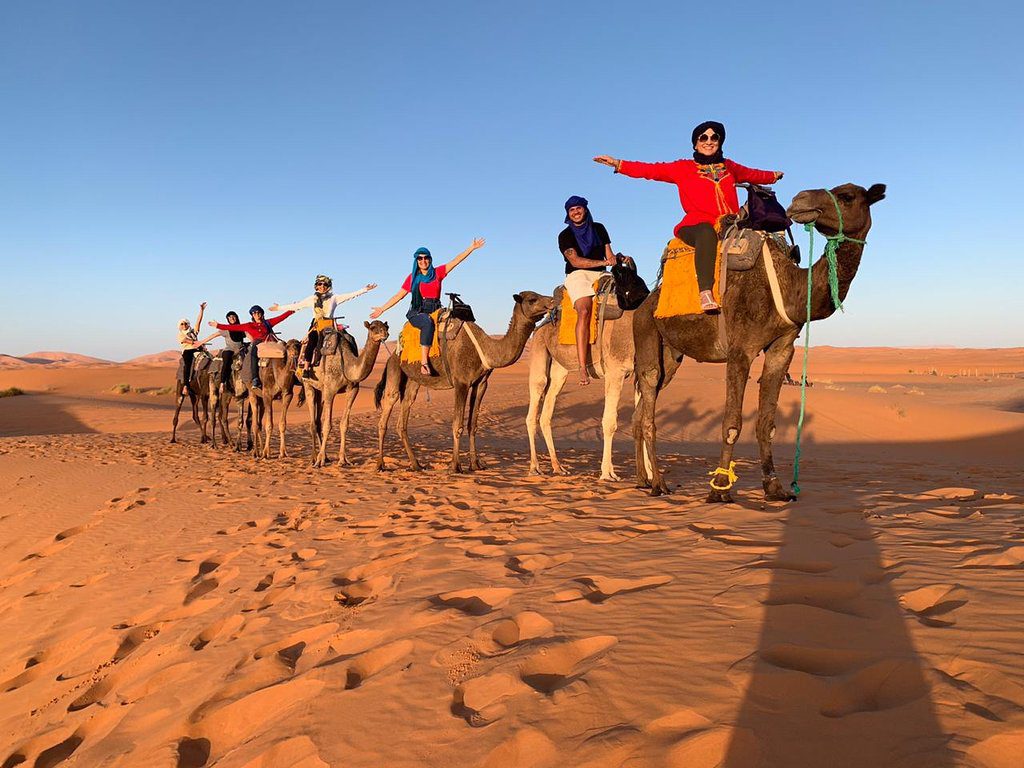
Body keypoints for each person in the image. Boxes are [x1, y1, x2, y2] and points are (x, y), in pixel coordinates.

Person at [594, 120, 783, 313]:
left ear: (720, 142)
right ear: (695, 143)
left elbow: (752, 174)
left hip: (730, 224)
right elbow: (651, 170)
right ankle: (705, 292)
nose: (709, 141)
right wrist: (619, 164)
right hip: (696, 225)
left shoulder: (729, 166)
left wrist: (773, 175)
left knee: (766, 237)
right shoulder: (682, 167)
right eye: (703, 137)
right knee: (706, 234)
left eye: (714, 137)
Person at [370, 239, 485, 376]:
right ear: (416, 261)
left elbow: (456, 261)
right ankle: (424, 362)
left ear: (430, 260)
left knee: (459, 319)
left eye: (426, 258)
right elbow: (399, 296)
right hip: (417, 312)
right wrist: (382, 309)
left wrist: (471, 248)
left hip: (436, 309)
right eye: (420, 258)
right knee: (428, 323)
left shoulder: (438, 273)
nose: (423, 261)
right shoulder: (412, 278)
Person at [267, 276, 377, 378]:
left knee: (347, 340)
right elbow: (297, 305)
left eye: (325, 285)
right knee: (312, 343)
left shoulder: (334, 298)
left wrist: (365, 289)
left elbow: (351, 295)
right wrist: (279, 308)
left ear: (328, 286)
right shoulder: (312, 299)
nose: (322, 287)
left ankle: (350, 365)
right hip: (316, 326)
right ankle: (306, 368)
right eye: (320, 284)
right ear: (316, 286)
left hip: (330, 326)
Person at [559, 196, 615, 386]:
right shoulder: (565, 235)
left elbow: (609, 254)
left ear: (585, 210)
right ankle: (583, 366)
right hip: (578, 274)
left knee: (625, 298)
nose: (575, 212)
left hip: (601, 273)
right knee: (584, 310)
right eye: (571, 210)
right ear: (568, 214)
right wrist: (603, 263)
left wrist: (617, 259)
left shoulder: (599, 228)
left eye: (578, 208)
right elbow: (575, 261)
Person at [210, 305, 294, 389]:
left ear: (262, 314)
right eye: (254, 313)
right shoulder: (249, 325)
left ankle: (292, 376)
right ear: (252, 315)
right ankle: (255, 379)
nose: (256, 315)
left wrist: (292, 309)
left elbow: (281, 317)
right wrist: (218, 325)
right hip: (258, 343)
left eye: (258, 312)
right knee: (253, 355)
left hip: (270, 342)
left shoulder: (268, 323)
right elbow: (232, 327)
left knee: (287, 350)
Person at [195, 311, 247, 388]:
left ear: (236, 317)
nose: (232, 318)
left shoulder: (241, 328)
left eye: (233, 316)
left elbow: (249, 335)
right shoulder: (226, 329)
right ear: (228, 319)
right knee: (227, 361)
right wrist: (201, 342)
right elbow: (213, 335)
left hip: (240, 349)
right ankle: (223, 382)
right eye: (229, 317)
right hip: (230, 350)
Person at [177, 302, 206, 395]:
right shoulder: (180, 335)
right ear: (180, 326)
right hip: (188, 351)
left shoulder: (193, 332)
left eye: (185, 323)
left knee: (210, 359)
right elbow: (186, 340)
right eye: (182, 324)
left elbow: (198, 321)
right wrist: (197, 343)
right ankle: (186, 386)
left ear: (188, 324)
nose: (184, 325)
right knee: (187, 366)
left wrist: (201, 310)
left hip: (198, 348)